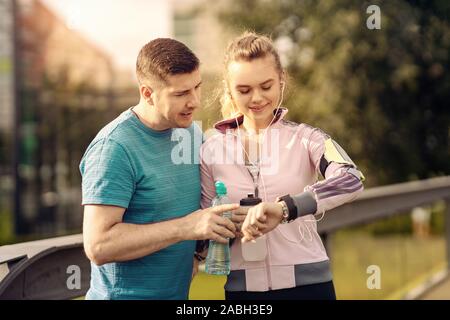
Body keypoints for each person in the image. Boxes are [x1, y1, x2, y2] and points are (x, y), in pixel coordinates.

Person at [199, 32, 365, 300]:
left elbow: (352, 178)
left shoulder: (308, 138)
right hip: (244, 293)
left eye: (266, 86)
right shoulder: (209, 149)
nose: (256, 98)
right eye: (244, 90)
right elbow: (204, 232)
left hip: (310, 288)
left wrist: (284, 208)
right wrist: (226, 224)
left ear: (281, 81)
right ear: (229, 89)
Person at [80, 38, 238, 300]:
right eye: (181, 94)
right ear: (147, 93)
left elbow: (195, 209)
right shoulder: (114, 147)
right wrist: (186, 228)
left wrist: (198, 248)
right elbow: (98, 245)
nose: (195, 101)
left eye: (197, 87)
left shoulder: (191, 135)